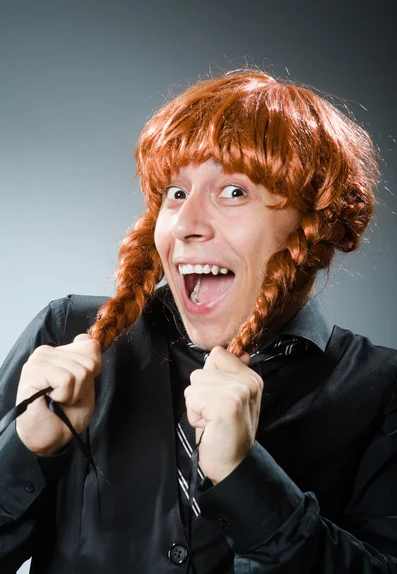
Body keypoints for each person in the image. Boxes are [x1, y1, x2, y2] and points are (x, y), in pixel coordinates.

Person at [0, 70, 396, 574]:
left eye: (233, 192)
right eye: (176, 193)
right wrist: (25, 451)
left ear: (313, 225)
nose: (187, 226)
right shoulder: (66, 335)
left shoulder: (382, 391)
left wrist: (244, 478)